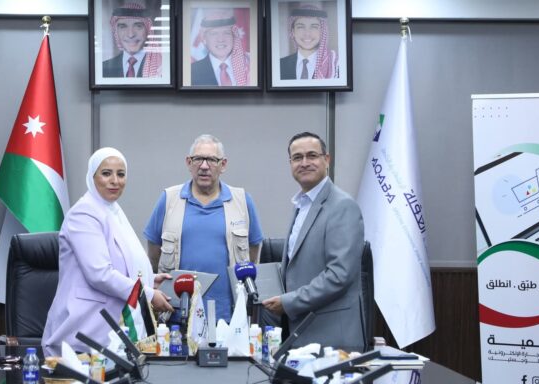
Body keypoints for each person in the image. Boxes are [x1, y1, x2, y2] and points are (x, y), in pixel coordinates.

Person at [42, 148, 173, 356]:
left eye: (121, 174)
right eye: (106, 173)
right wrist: (147, 294)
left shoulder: (113, 211)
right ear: (92, 176)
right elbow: (100, 274)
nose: (115, 181)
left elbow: (125, 262)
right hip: (84, 331)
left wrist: (150, 279)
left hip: (110, 331)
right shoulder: (84, 213)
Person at [261, 132, 364, 351]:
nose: (305, 163)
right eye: (297, 157)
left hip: (332, 340)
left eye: (312, 155)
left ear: (326, 160)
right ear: (290, 163)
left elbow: (339, 275)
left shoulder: (342, 206)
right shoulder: (302, 204)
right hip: (301, 334)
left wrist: (288, 302)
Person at [144, 134, 263, 323]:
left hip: (230, 317)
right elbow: (153, 254)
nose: (204, 166)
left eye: (212, 160)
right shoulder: (169, 200)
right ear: (188, 162)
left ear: (223, 165)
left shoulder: (242, 201)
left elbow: (253, 253)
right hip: (176, 315)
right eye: (198, 159)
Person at [102, 2, 163, 78]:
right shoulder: (103, 69)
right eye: (123, 27)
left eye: (138, 26)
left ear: (147, 30)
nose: (130, 35)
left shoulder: (161, 67)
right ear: (116, 31)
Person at [191, 10, 250, 86]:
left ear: (234, 36)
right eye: (214, 33)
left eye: (226, 33)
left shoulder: (249, 66)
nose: (221, 39)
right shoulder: (192, 72)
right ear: (204, 38)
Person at [280, 4, 339, 80]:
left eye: (314, 27)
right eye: (300, 27)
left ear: (322, 31)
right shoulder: (280, 65)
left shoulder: (335, 64)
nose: (307, 34)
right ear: (293, 32)